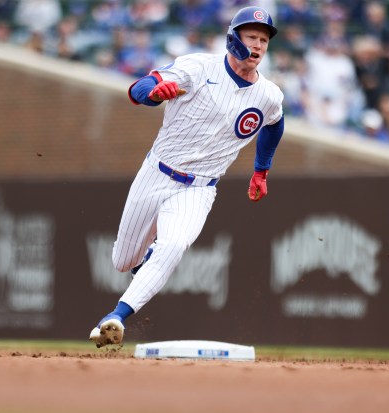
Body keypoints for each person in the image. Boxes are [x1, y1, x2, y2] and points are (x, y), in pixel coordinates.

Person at [89, 6, 285, 348]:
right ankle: (141, 264)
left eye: (264, 40)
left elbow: (275, 123)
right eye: (251, 36)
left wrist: (261, 169)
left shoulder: (268, 94)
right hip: (156, 173)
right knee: (123, 262)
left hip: (199, 187)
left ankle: (116, 317)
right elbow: (142, 87)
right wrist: (153, 92)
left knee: (175, 244)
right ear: (233, 39)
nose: (257, 46)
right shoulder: (198, 67)